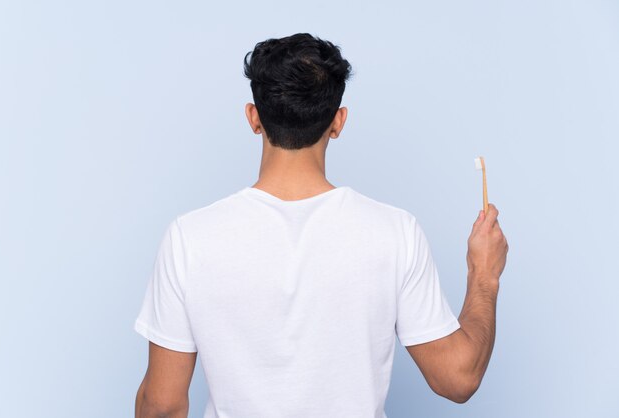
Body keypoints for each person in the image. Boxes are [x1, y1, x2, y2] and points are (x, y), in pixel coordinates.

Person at [133, 33, 509, 418]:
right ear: (339, 122)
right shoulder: (394, 233)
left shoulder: (190, 238)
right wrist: (484, 274)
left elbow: (161, 407)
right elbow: (457, 378)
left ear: (253, 117)